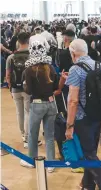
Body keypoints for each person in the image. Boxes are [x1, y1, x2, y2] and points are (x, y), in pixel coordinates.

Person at [64, 39, 101, 190]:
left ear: (73, 53)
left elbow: (73, 101)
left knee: (89, 153)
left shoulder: (75, 70)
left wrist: (69, 126)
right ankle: (87, 184)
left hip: (82, 118)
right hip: (98, 115)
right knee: (90, 151)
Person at [19, 41, 58, 173]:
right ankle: (51, 164)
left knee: (33, 134)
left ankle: (31, 160)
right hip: (51, 104)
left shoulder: (28, 70)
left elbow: (28, 91)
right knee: (49, 135)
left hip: (36, 105)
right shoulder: (51, 68)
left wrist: (25, 85)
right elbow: (56, 87)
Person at [6, 32, 42, 148]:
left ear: (18, 42)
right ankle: (28, 138)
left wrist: (10, 87)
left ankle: (23, 134)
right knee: (28, 112)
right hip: (29, 89)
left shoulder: (11, 57)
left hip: (15, 88)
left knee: (19, 112)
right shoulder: (33, 56)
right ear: (28, 41)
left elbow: (7, 75)